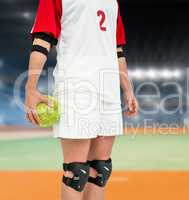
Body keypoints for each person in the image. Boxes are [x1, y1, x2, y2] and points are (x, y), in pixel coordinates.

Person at [24, 0, 138, 200]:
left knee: (100, 169)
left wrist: (128, 89)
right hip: (77, 85)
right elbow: (42, 38)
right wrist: (31, 87)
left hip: (108, 87)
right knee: (76, 172)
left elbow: (117, 49)